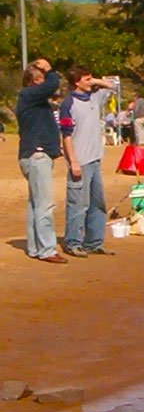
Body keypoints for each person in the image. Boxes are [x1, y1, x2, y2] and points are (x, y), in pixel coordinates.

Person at [59, 64, 115, 258]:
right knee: (78, 204)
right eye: (86, 79)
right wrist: (73, 161)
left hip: (95, 159)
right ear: (77, 82)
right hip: (80, 160)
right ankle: (73, 242)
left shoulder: (94, 96)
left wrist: (95, 81)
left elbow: (111, 85)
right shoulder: (68, 104)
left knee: (97, 204)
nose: (90, 81)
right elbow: (66, 136)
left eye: (91, 78)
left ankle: (94, 242)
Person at [16, 58, 67, 264]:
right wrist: (49, 69)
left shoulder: (30, 100)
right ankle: (47, 249)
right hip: (37, 155)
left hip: (33, 155)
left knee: (35, 204)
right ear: (35, 81)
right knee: (44, 204)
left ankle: (36, 247)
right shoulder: (28, 95)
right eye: (41, 79)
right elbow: (53, 83)